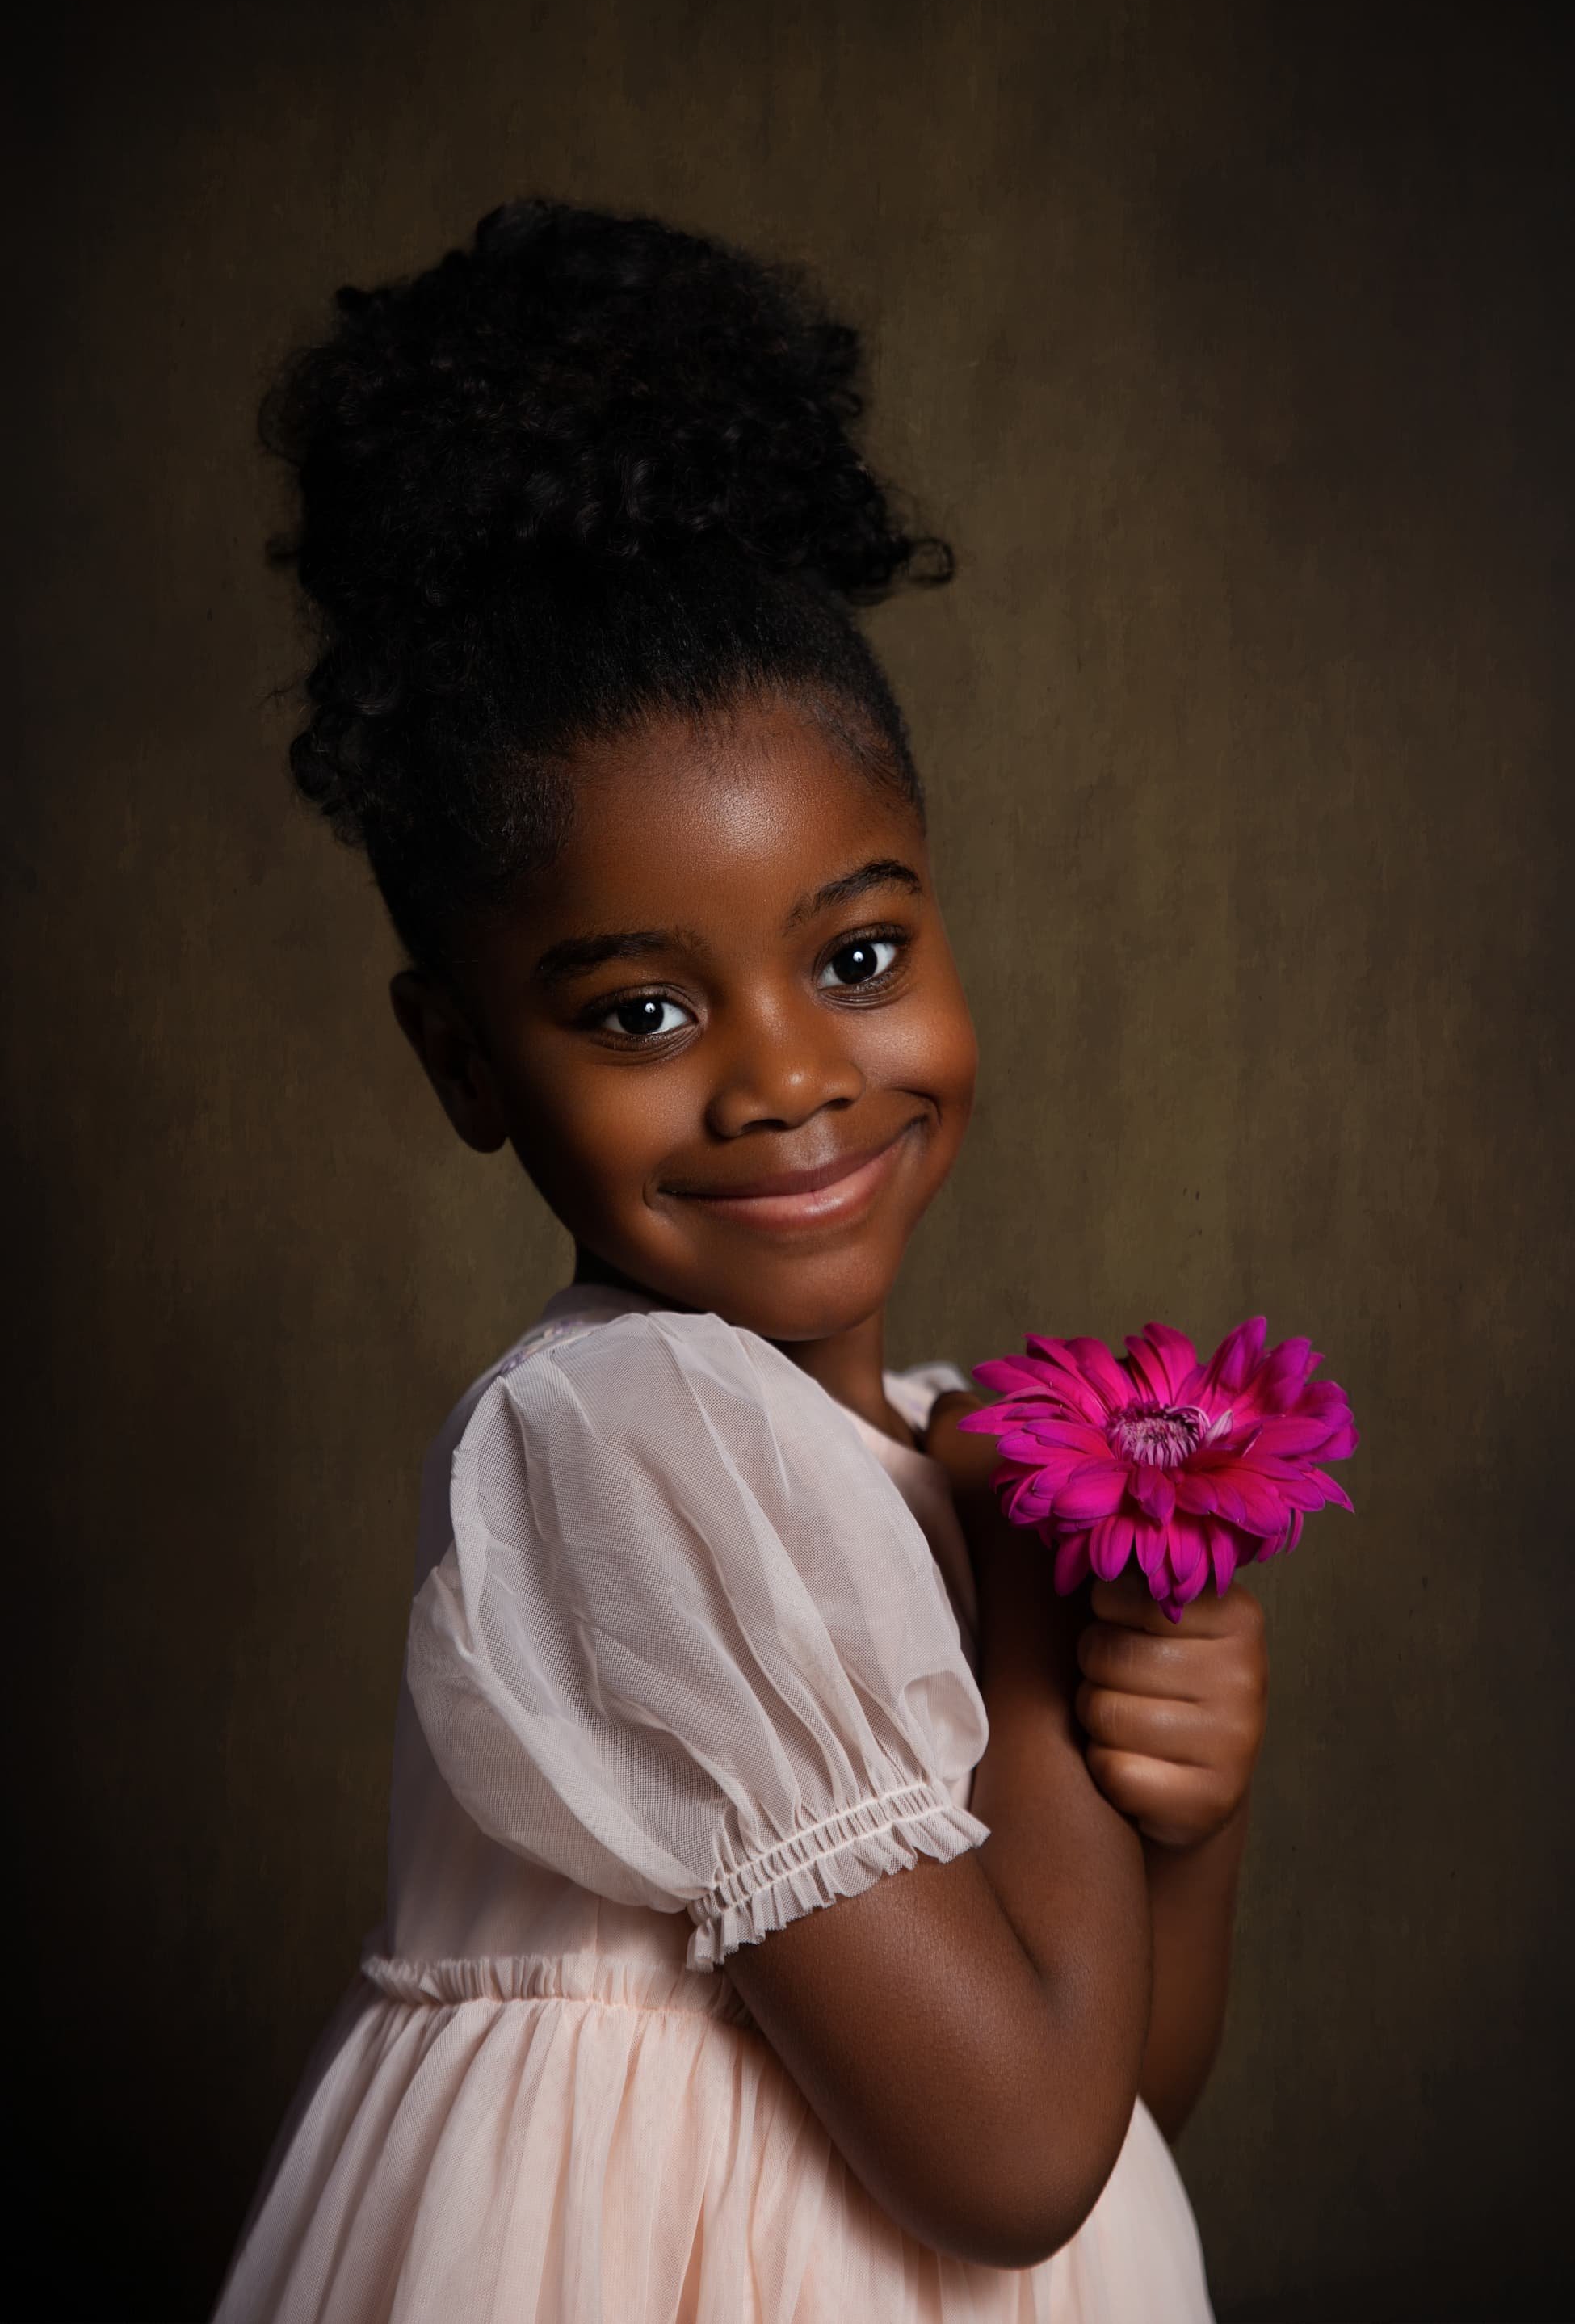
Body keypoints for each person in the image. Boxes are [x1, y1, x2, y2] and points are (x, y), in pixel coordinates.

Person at [212, 198, 1267, 2323]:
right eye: (637, 1009)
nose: (788, 1075)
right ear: (467, 1059)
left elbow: (1126, 2084)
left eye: (859, 952)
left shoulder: (923, 1444)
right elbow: (1012, 2154)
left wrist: (1195, 1791)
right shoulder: (636, 1438)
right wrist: (1052, 1642)